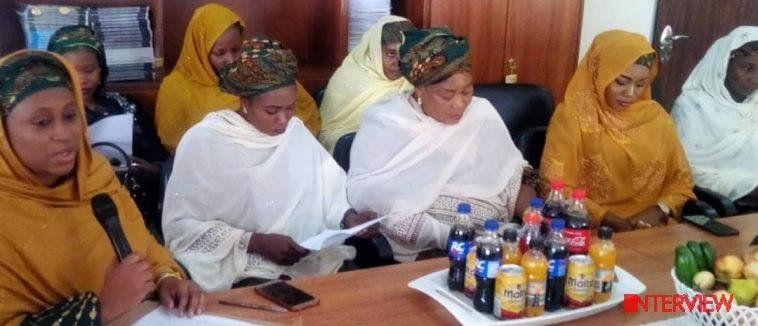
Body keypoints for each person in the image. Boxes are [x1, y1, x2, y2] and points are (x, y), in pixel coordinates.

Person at [0, 50, 204, 324]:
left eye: (71, 116)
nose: (64, 133)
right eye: (42, 122)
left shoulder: (95, 176)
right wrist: (100, 307)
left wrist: (166, 277)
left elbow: (141, 243)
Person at [162, 38, 378, 291]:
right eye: (272, 111)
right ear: (245, 102)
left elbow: (329, 192)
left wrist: (350, 218)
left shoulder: (295, 133)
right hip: (240, 262)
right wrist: (253, 242)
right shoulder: (206, 141)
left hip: (305, 256)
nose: (284, 120)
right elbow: (181, 227)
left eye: (290, 108)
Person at [347, 28, 537, 263]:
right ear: (419, 89)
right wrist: (454, 239)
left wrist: (534, 217)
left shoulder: (481, 114)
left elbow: (514, 176)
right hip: (427, 254)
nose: (459, 104)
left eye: (467, 91)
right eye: (447, 95)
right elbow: (380, 203)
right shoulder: (386, 123)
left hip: (494, 245)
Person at [540, 30, 695, 232]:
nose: (630, 93)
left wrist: (659, 210)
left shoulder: (657, 119)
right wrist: (607, 219)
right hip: (587, 229)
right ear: (598, 73)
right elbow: (553, 187)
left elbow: (681, 181)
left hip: (649, 227)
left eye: (641, 84)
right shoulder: (572, 117)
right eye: (621, 82)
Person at [154, 3, 320, 153]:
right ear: (199, 50)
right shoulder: (175, 88)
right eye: (220, 53)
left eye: (236, 49)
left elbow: (304, 109)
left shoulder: (257, 70)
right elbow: (177, 144)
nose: (231, 60)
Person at [48, 25, 168, 226]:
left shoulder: (124, 105)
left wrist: (143, 167)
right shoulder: (53, 119)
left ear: (101, 68)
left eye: (89, 70)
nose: (82, 80)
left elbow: (161, 162)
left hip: (135, 205)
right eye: (71, 71)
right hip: (80, 212)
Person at [671, 26, 758, 211]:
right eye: (746, 68)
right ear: (722, 64)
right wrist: (747, 186)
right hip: (717, 202)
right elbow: (684, 170)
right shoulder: (692, 105)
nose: (754, 79)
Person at [318, 16, 415, 152]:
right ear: (373, 51)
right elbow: (330, 134)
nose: (399, 62)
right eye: (391, 54)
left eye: (405, 54)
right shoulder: (349, 77)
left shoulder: (416, 78)